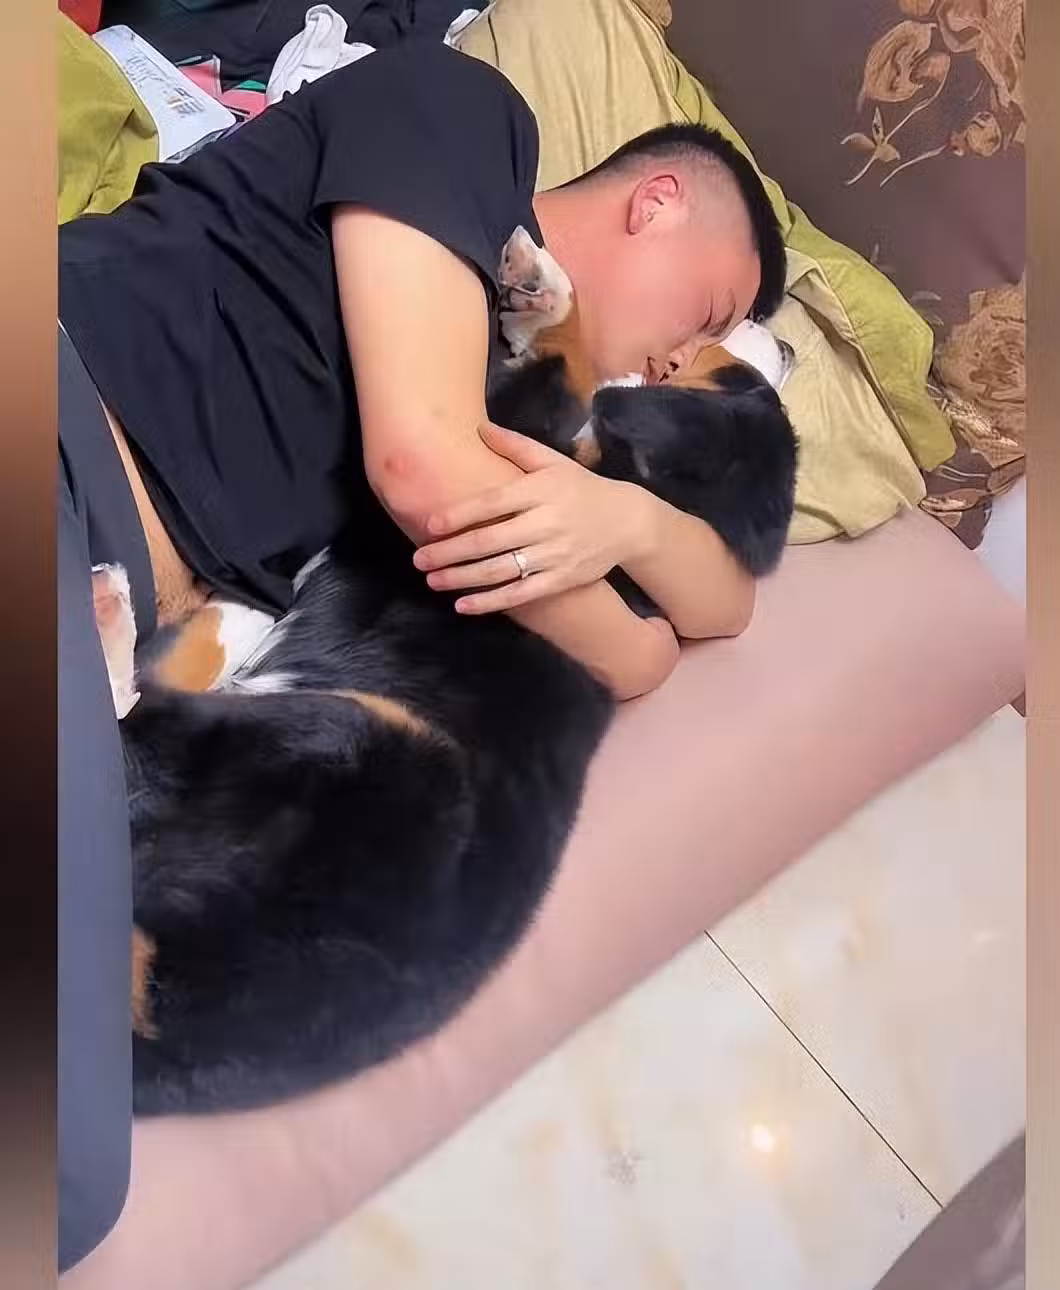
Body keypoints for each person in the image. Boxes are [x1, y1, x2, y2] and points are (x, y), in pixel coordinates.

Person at [57, 40, 786, 1270]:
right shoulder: (465, 115)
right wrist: (639, 655)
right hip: (63, 428)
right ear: (657, 202)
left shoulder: (518, 390)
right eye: (706, 315)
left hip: (99, 593)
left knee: (67, 1176)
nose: (673, 363)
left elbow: (725, 605)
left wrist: (632, 523)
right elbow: (424, 473)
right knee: (66, 1169)